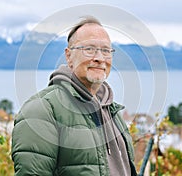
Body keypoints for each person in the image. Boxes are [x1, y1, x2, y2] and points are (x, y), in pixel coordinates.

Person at [11, 16, 137, 176]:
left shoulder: (112, 112)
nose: (99, 58)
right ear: (69, 56)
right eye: (89, 49)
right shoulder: (42, 110)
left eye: (106, 50)